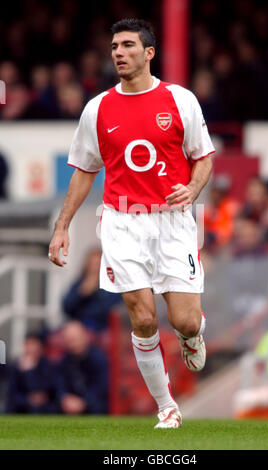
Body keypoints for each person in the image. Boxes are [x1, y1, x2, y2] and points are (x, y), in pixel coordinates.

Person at [48, 18, 215, 429]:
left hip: (173, 220)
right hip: (122, 222)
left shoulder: (180, 99)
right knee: (141, 318)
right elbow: (85, 170)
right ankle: (167, 407)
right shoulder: (98, 108)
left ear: (149, 52)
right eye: (114, 47)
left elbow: (203, 157)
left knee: (184, 320)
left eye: (127, 45)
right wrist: (62, 226)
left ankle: (193, 335)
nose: (118, 53)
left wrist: (193, 190)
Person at [62, 247, 122, 331]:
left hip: (101, 330)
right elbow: (66, 307)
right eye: (92, 264)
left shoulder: (112, 286)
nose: (95, 268)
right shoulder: (80, 283)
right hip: (77, 327)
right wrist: (81, 293)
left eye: (98, 264)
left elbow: (110, 310)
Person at [56, 321, 109, 415]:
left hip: (95, 407)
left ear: (85, 337)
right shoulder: (64, 361)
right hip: (70, 407)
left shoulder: (99, 359)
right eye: (69, 340)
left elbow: (101, 387)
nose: (73, 344)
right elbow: (60, 385)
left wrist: (84, 402)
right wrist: (65, 399)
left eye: (76, 339)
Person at [6, 334, 60, 414]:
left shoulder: (49, 366)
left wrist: (31, 372)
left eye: (33, 344)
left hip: (45, 406)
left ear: (40, 346)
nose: (30, 348)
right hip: (23, 405)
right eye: (27, 344)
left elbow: (50, 389)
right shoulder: (17, 367)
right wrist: (28, 399)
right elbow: (12, 393)